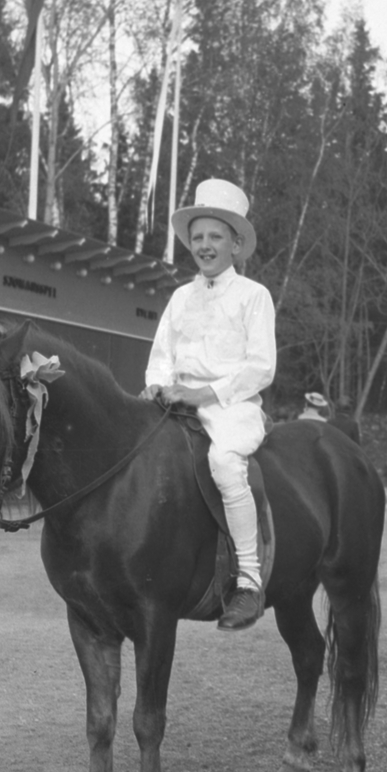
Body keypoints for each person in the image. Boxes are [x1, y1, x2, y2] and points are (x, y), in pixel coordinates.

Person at [141, 179, 276, 631]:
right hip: (177, 403)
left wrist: (204, 393)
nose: (204, 245)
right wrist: (157, 386)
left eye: (215, 236)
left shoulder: (253, 296)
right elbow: (161, 356)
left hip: (232, 405)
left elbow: (261, 367)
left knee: (224, 463)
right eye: (197, 237)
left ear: (235, 245)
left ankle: (249, 580)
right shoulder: (181, 297)